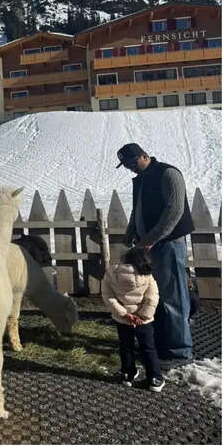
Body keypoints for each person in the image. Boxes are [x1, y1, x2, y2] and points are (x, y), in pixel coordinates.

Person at [117, 143, 195, 369]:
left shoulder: (168, 173)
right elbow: (138, 208)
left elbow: (174, 211)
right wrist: (132, 230)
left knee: (173, 297)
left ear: (144, 155)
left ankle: (179, 352)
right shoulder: (142, 177)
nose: (130, 168)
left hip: (168, 244)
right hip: (149, 246)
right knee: (156, 296)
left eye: (132, 162)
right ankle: (163, 343)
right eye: (126, 165)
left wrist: (151, 239)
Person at [102, 247, 163, 392]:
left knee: (125, 346)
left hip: (123, 320)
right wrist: (142, 316)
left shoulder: (111, 273)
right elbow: (153, 297)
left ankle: (127, 374)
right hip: (143, 321)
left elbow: (108, 296)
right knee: (148, 348)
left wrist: (124, 314)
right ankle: (155, 379)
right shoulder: (146, 275)